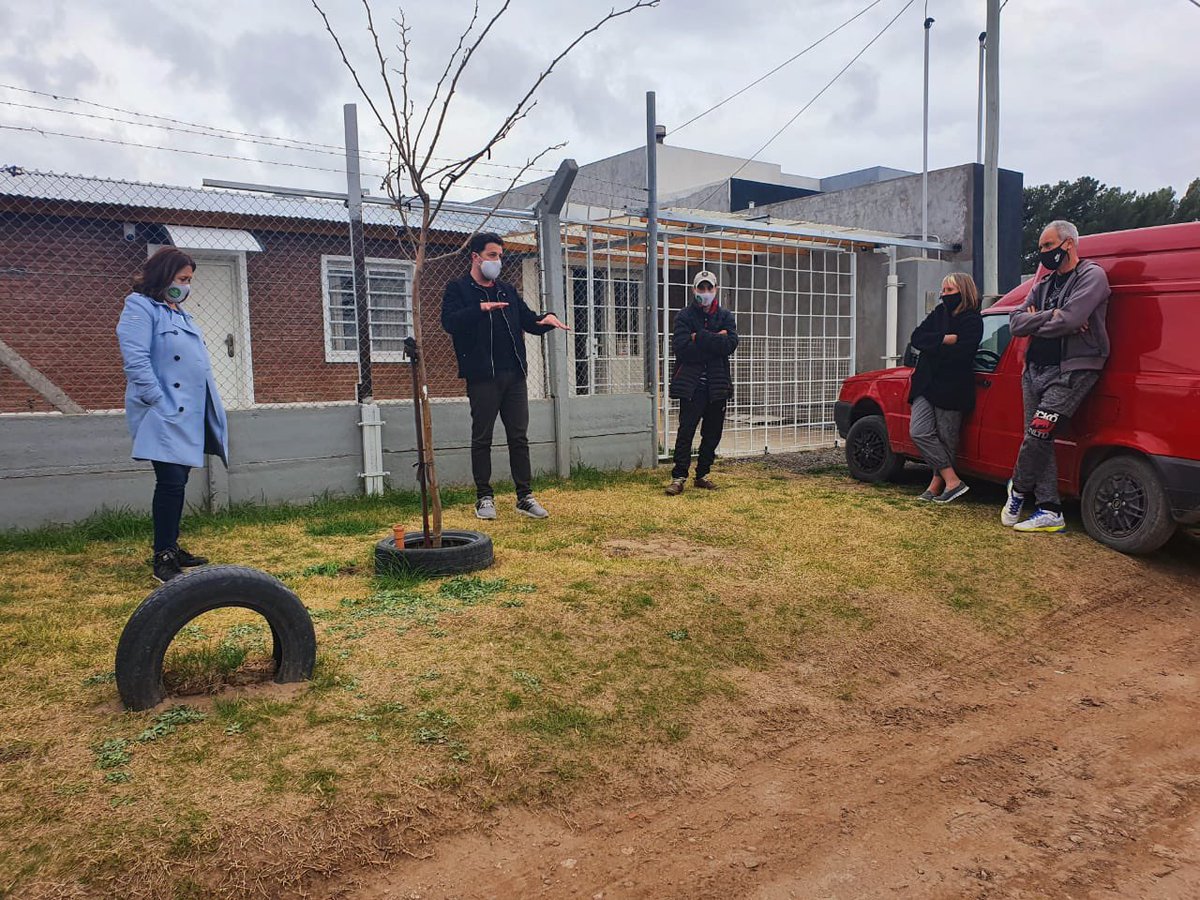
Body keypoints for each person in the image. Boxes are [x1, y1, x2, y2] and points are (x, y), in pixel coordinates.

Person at [116, 247, 229, 582]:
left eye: (189, 280)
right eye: (182, 278)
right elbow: (135, 358)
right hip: (163, 412)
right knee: (170, 482)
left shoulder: (179, 313)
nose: (186, 286)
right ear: (164, 275)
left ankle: (171, 545)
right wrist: (157, 400)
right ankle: (163, 556)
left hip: (187, 412)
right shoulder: (140, 307)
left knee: (177, 481)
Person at [441, 232, 569, 520]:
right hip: (482, 377)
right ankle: (484, 498)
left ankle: (525, 497)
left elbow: (528, 320)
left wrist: (546, 320)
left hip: (514, 375)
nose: (497, 261)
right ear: (476, 257)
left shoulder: (506, 290)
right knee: (482, 438)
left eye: (500, 256)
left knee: (518, 437)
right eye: (492, 255)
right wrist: (479, 309)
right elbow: (449, 322)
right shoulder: (458, 289)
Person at [1005, 219, 1111, 533]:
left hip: (1072, 371)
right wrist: (1053, 315)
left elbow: (1073, 319)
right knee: (1039, 440)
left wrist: (1039, 319)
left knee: (1038, 434)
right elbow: (1015, 323)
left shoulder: (1092, 276)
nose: (1043, 252)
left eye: (1048, 245)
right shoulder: (1043, 283)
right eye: (1041, 247)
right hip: (1033, 369)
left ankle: (1018, 490)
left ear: (1069, 243)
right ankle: (1050, 509)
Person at [907, 272, 984, 503]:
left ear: (963, 290)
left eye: (949, 290)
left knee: (946, 437)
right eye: (943, 290)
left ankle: (937, 484)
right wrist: (944, 339)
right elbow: (916, 338)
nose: (944, 294)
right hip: (926, 383)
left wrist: (932, 346)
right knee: (919, 431)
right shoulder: (939, 313)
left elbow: (962, 354)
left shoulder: (973, 321)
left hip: (952, 387)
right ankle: (953, 480)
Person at [665, 270, 739, 495]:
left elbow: (730, 344)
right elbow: (682, 349)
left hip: (717, 386)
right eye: (701, 288)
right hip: (692, 387)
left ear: (715, 289)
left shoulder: (725, 316)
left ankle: (702, 474)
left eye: (709, 288)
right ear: (694, 290)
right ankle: (679, 477)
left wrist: (699, 337)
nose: (705, 292)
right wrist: (716, 340)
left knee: (712, 433)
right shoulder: (684, 316)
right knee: (686, 432)